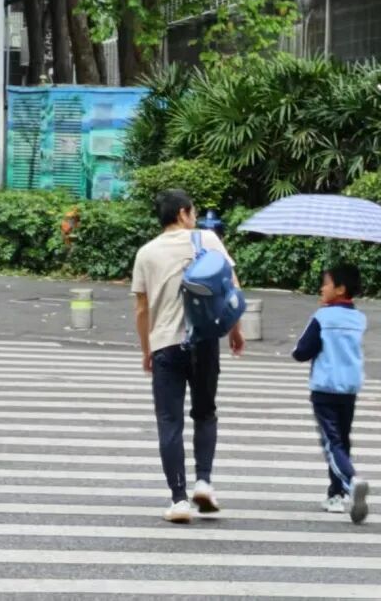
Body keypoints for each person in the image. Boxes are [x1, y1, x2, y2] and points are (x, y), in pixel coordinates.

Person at [131, 189, 245, 523]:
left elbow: (141, 309)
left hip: (165, 343)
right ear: (183, 213)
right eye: (192, 212)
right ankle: (204, 482)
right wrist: (235, 331)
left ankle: (179, 500)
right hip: (205, 340)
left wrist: (146, 349)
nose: (194, 218)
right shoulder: (207, 240)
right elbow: (231, 288)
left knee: (170, 422)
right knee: (205, 413)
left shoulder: (146, 253)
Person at [291, 263, 370, 524]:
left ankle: (350, 481)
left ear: (340, 289)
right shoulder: (359, 319)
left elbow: (302, 351)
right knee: (342, 440)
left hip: (324, 388)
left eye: (326, 283)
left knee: (331, 442)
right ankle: (335, 494)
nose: (321, 288)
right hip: (349, 389)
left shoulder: (322, 318)